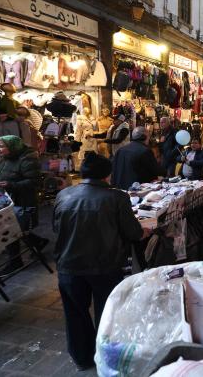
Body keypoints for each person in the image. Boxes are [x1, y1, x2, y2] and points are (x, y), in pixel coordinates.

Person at [53, 152, 146, 371]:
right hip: (105, 265)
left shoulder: (63, 195)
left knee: (74, 314)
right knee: (108, 313)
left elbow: (57, 229)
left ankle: (82, 359)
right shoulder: (116, 197)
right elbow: (132, 232)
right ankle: (105, 357)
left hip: (69, 266)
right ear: (107, 175)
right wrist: (144, 231)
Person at [0, 135, 48, 275]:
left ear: (13, 147)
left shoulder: (27, 160)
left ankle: (15, 261)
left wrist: (12, 185)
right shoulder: (6, 159)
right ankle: (37, 242)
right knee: (14, 229)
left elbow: (35, 182)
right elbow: (1, 177)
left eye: (2, 146)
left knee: (9, 229)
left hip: (22, 201)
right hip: (7, 201)